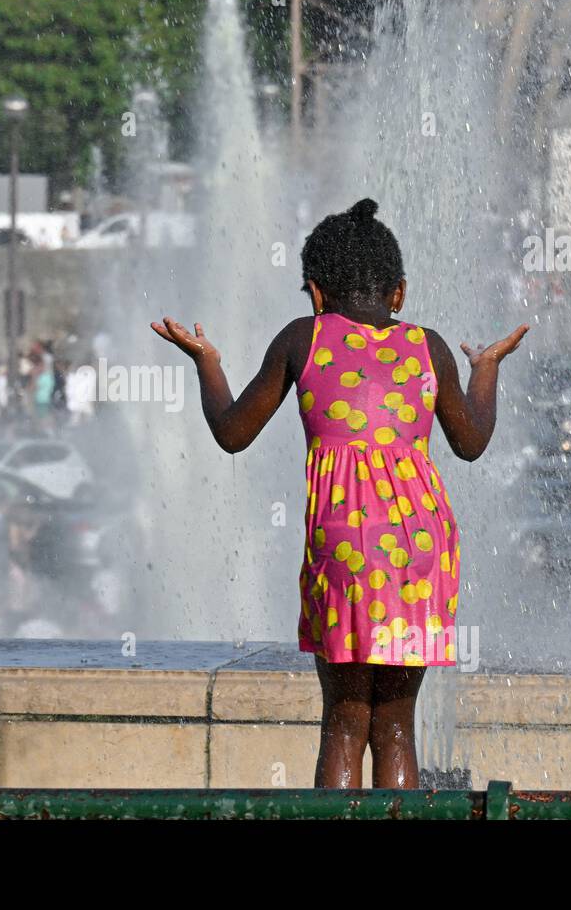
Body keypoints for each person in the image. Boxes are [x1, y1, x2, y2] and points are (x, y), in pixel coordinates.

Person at [151, 197, 527, 790]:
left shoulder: (303, 339)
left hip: (347, 544)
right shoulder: (427, 346)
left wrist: (206, 362)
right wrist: (486, 368)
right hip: (420, 547)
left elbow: (231, 432)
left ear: (316, 291)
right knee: (398, 723)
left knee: (346, 721)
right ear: (397, 293)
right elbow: (472, 442)